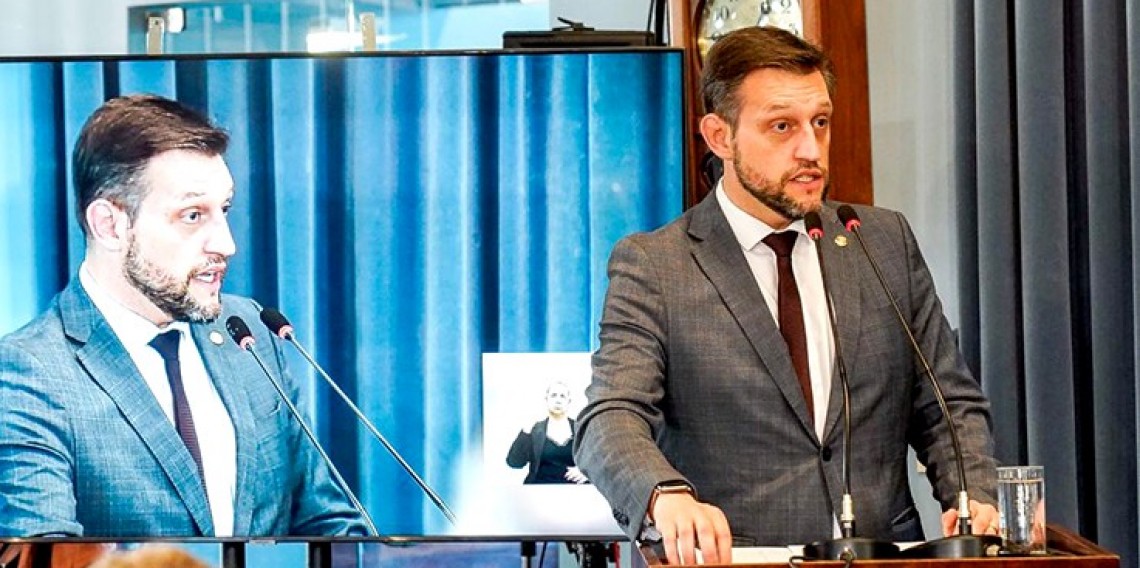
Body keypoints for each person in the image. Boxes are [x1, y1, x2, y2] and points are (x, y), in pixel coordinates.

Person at [573, 27, 1000, 565]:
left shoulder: (881, 242)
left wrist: (973, 494)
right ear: (719, 136)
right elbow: (609, 418)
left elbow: (948, 404)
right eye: (782, 126)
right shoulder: (657, 265)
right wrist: (665, 495)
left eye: (820, 122)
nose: (810, 150)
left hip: (884, 556)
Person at [0, 94, 366, 537]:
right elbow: (43, 553)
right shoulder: (28, 372)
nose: (226, 245)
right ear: (109, 225)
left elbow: (326, 521)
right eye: (193, 215)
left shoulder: (248, 330)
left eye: (224, 210)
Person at [506, 381, 588, 484]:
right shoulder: (535, 430)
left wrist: (586, 472)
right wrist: (525, 432)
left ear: (569, 401)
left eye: (562, 396)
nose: (558, 400)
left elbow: (598, 461)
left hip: (575, 489)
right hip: (539, 488)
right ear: (546, 400)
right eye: (553, 395)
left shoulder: (581, 429)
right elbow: (514, 462)